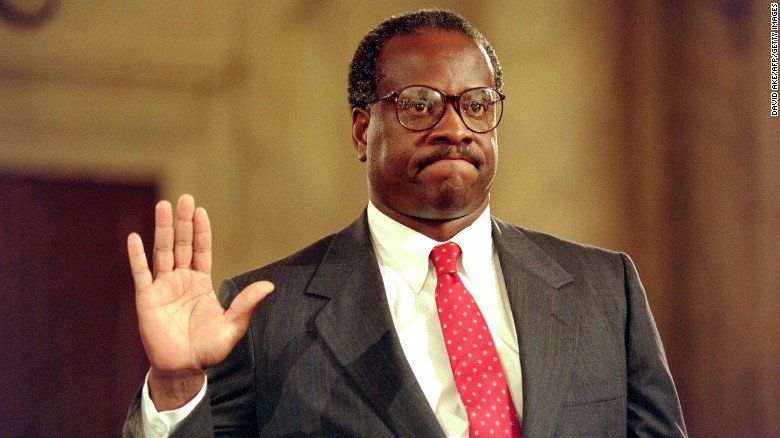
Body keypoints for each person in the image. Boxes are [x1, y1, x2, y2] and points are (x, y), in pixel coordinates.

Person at [123, 8, 686, 438]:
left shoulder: (604, 289)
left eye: (478, 104)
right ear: (361, 131)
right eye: (420, 104)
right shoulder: (267, 314)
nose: (455, 128)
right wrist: (176, 387)